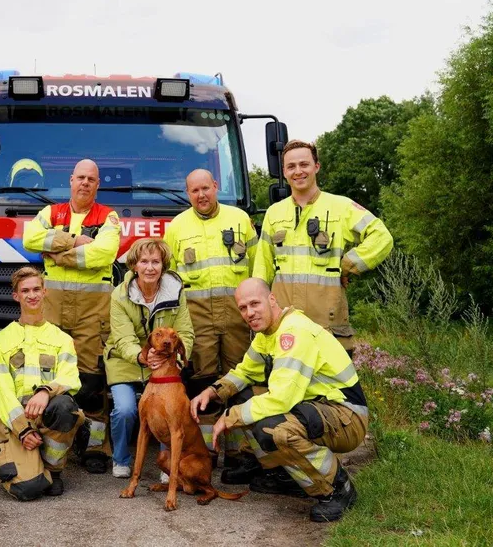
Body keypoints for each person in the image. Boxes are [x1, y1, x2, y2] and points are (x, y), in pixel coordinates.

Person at [190, 278, 368, 522]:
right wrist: (213, 391)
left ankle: (337, 488)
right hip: (318, 407)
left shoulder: (293, 332)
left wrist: (231, 417)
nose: (249, 313)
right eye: (243, 308)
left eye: (255, 304)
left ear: (272, 299)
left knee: (275, 429)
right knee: (241, 396)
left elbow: (281, 399)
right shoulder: (267, 334)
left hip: (346, 416)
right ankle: (285, 475)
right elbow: (244, 373)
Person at [22, 159, 121, 474]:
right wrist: (75, 241)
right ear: (71, 180)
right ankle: (48, 440)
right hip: (53, 309)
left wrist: (57, 254)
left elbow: (105, 253)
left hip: (92, 312)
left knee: (92, 382)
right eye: (81, 177)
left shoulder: (108, 216)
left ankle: (94, 447)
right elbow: (29, 239)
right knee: (48, 376)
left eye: (91, 179)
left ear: (98, 184)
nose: (85, 183)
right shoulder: (51, 213)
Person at [253, 139, 393, 354]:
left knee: (334, 376)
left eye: (304, 164)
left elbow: (382, 237)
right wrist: (259, 309)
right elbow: (262, 268)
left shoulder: (341, 206)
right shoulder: (274, 213)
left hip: (327, 324)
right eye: (291, 166)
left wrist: (348, 265)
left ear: (316, 166)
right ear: (284, 172)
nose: (298, 171)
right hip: (284, 324)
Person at [162, 169, 258, 471]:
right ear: (188, 193)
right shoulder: (177, 227)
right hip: (198, 318)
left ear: (216, 186)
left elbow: (258, 267)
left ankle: (238, 454)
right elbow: (170, 278)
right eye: (195, 191)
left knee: (239, 380)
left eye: (206, 188)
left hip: (237, 316)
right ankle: (205, 453)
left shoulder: (240, 219)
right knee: (203, 381)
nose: (201, 195)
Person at [0, 267, 86, 500]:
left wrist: (45, 391)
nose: (31, 295)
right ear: (16, 296)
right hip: (16, 422)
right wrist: (22, 429)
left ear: (44, 292)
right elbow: (1, 392)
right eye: (25, 291)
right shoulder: (0, 341)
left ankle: (54, 469)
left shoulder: (62, 339)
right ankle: (30, 463)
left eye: (36, 289)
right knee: (28, 489)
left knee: (65, 407)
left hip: (47, 414)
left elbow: (70, 377)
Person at [104, 238, 193, 479]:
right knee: (125, 409)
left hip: (165, 362)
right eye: (144, 261)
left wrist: (175, 360)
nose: (150, 268)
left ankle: (168, 461)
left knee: (170, 408)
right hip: (126, 360)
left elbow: (185, 333)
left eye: (156, 262)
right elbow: (123, 338)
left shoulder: (176, 292)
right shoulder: (119, 295)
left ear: (163, 265)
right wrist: (142, 356)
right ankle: (121, 459)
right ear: (134, 265)